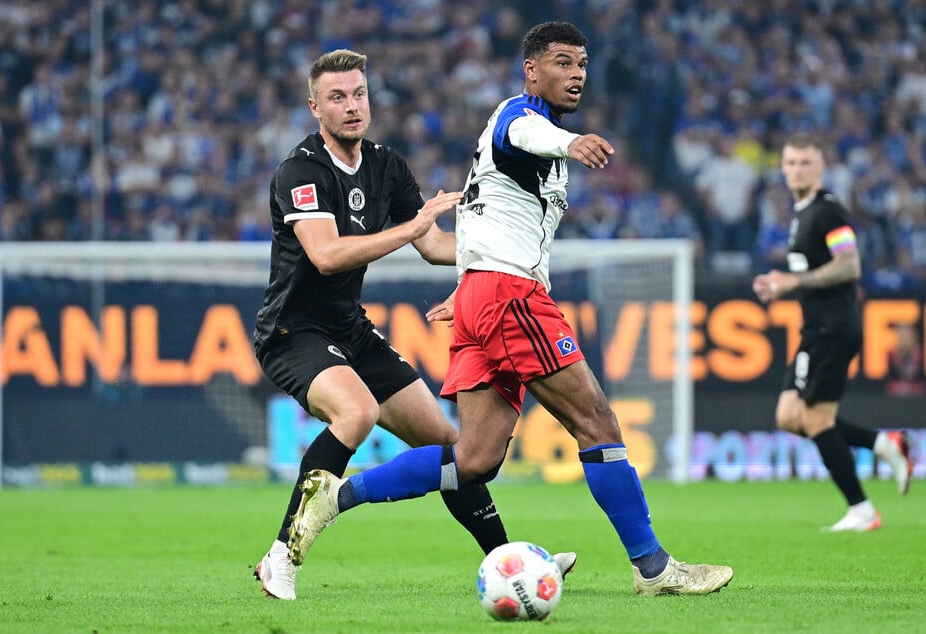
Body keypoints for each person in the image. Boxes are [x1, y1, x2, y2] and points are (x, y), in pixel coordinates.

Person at [289, 22, 734, 597]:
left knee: (472, 460)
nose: (575, 74)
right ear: (532, 69)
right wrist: (569, 143)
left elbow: (477, 213)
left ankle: (337, 495)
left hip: (484, 293)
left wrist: (472, 279)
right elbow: (527, 132)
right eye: (561, 62)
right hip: (510, 297)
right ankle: (654, 568)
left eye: (581, 63)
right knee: (596, 422)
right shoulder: (517, 119)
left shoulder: (518, 146)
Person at [251, 49, 576, 601]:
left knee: (454, 448)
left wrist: (503, 252)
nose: (352, 106)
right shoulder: (300, 172)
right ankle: (282, 555)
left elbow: (435, 246)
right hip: (293, 332)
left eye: (358, 94)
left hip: (350, 330)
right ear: (315, 107)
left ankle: (509, 561)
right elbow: (327, 255)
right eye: (337, 97)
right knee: (356, 412)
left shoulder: (386, 166)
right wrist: (413, 226)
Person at [753, 132, 913, 532]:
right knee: (790, 416)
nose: (796, 170)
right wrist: (780, 284)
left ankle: (861, 510)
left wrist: (792, 282)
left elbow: (849, 265)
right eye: (790, 163)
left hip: (835, 326)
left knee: (816, 419)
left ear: (820, 166)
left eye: (805, 162)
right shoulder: (801, 214)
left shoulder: (828, 211)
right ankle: (884, 444)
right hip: (815, 328)